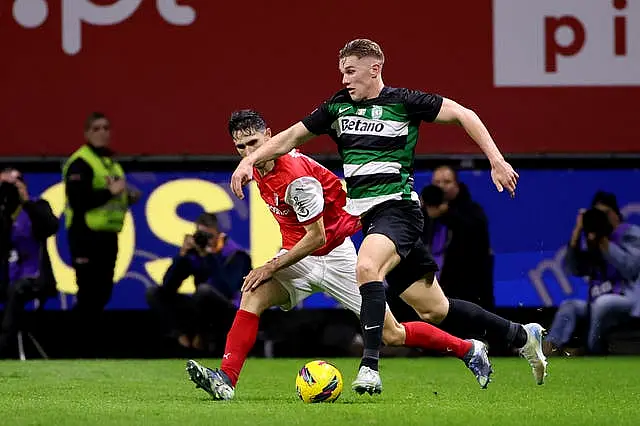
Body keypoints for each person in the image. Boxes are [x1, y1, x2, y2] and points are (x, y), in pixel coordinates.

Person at [230, 39, 547, 394]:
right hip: (372, 218)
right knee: (435, 310)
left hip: (398, 209)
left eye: (351, 71)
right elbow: (290, 136)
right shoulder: (338, 107)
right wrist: (249, 161)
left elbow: (463, 114)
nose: (345, 79)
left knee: (366, 267)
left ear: (374, 68)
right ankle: (520, 334)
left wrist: (496, 159)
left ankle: (369, 366)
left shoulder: (404, 101)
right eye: (342, 72)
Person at [186, 110, 492, 401]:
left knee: (392, 334)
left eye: (254, 143)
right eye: (241, 146)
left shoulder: (296, 178)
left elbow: (317, 236)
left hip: (335, 256)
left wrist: (271, 265)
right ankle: (225, 380)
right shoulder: (256, 165)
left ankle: (468, 349)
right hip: (300, 257)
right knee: (252, 294)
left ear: (269, 135)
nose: (248, 151)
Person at [62, 112, 140, 355]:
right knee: (88, 292)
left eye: (106, 127)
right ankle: (75, 348)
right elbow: (78, 200)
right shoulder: (80, 162)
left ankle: (87, 348)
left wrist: (127, 195)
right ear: (87, 133)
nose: (102, 132)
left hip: (108, 236)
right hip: (85, 235)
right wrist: (111, 192)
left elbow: (116, 195)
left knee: (103, 292)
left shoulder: (110, 163)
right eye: (96, 128)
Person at [544, 192, 640, 355]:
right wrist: (576, 234)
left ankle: (591, 352)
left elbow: (631, 269)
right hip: (598, 302)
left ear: (615, 214)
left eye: (604, 214)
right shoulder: (594, 238)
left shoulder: (631, 234)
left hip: (630, 300)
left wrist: (606, 245)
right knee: (570, 306)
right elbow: (575, 269)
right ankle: (548, 349)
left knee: (603, 303)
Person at [146, 212, 251, 352]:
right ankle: (182, 336)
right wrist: (182, 256)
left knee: (204, 291)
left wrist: (209, 256)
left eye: (209, 236)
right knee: (154, 292)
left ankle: (201, 337)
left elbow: (227, 288)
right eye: (201, 235)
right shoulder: (195, 253)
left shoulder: (236, 255)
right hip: (200, 306)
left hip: (229, 310)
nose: (206, 240)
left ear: (218, 234)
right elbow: (169, 287)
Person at [0, 168, 58, 356]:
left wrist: (27, 204)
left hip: (34, 276)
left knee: (16, 290)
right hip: (6, 276)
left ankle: (3, 347)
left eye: (14, 183)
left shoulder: (37, 206)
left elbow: (51, 226)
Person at [421, 181, 494, 311]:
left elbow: (474, 239)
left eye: (446, 182)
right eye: (437, 182)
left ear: (456, 185)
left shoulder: (471, 213)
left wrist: (447, 213)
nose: (441, 186)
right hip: (429, 287)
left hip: (464, 289)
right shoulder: (422, 215)